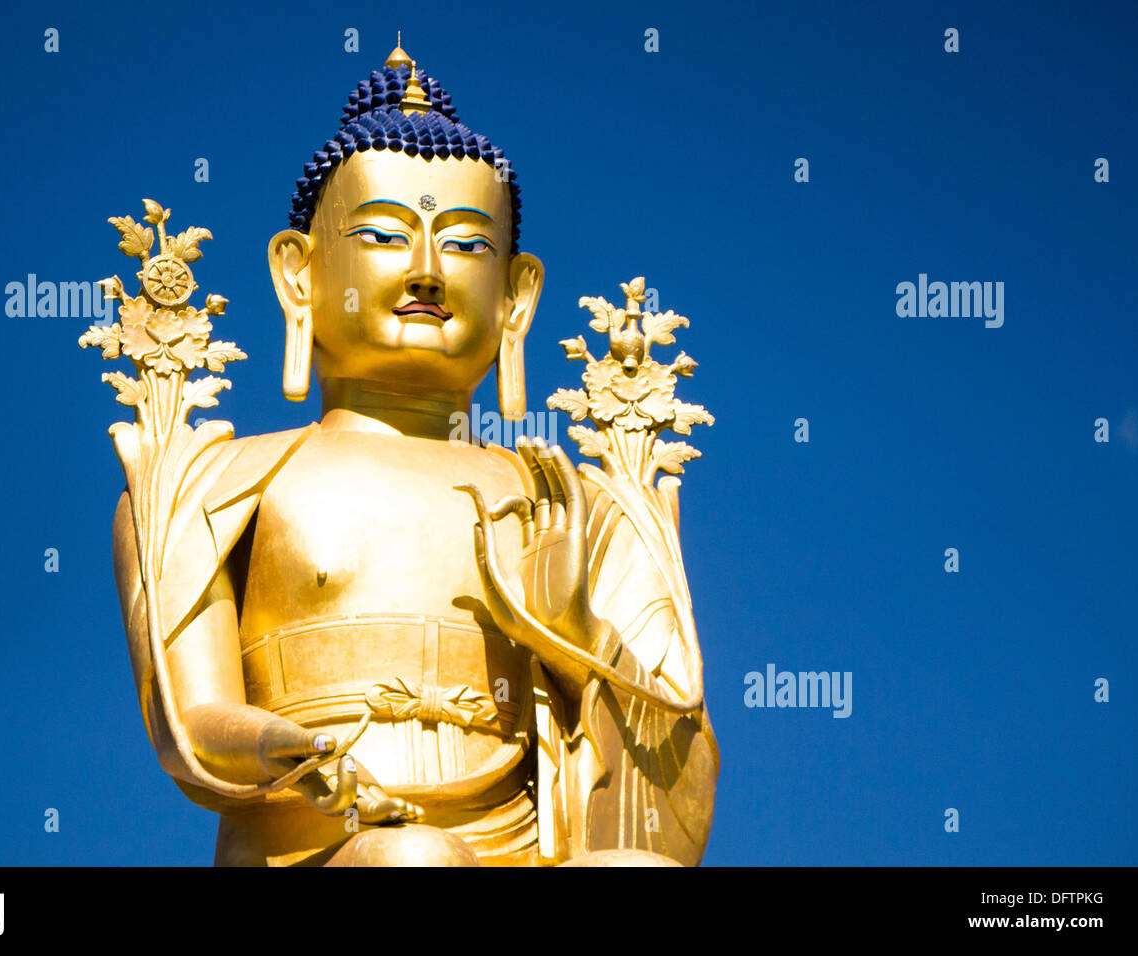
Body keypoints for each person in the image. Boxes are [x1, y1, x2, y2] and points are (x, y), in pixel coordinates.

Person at [111, 42, 717, 866]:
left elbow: (676, 773)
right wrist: (287, 749)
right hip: (323, 840)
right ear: (299, 277)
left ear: (516, 296)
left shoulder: (572, 506)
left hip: (521, 839)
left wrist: (578, 636)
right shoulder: (211, 486)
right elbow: (190, 722)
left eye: (467, 245)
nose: (428, 273)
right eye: (385, 235)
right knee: (414, 860)